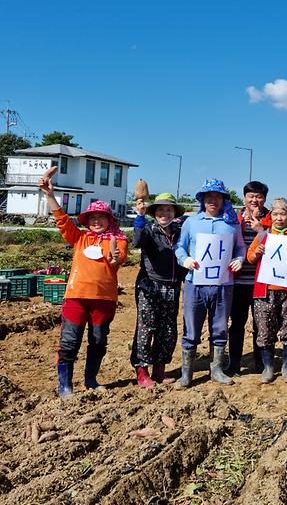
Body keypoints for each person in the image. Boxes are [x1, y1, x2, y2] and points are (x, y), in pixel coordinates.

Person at [38, 167, 128, 398]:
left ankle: (90, 379)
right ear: (87, 220)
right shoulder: (80, 238)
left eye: (101, 217)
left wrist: (115, 258)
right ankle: (65, 385)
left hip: (104, 300)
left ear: (109, 220)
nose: (97, 221)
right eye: (93, 217)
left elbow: (117, 259)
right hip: (76, 297)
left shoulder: (118, 240)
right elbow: (62, 221)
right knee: (69, 341)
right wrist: (50, 195)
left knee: (98, 341)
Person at [174, 179, 246, 388]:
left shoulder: (232, 225)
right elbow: (180, 246)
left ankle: (217, 369)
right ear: (203, 200)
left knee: (220, 326)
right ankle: (186, 373)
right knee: (191, 327)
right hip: (194, 283)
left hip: (223, 284)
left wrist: (239, 259)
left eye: (217, 196)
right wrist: (184, 259)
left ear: (223, 199)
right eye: (209, 197)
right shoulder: (191, 222)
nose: (213, 200)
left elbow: (240, 247)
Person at [247, 197, 287, 384]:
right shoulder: (262, 236)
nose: (279, 218)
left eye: (283, 214)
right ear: (271, 216)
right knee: (265, 330)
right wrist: (257, 253)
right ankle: (268, 368)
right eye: (275, 214)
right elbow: (250, 257)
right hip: (265, 291)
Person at [131, 193, 186, 388]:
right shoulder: (148, 229)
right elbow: (136, 241)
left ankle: (160, 370)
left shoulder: (179, 231)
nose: (165, 213)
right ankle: (142, 370)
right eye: (161, 210)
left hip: (172, 286)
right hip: (150, 285)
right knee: (147, 327)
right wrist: (139, 216)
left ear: (174, 213)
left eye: (169, 209)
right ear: (154, 212)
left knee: (168, 329)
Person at [225, 180, 271, 377]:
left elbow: (280, 245)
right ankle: (234, 363)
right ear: (244, 198)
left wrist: (262, 230)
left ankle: (260, 364)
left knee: (261, 324)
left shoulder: (272, 219)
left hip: (261, 282)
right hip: (237, 281)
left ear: (264, 199)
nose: (255, 200)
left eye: (259, 196)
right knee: (237, 323)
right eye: (251, 196)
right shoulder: (233, 219)